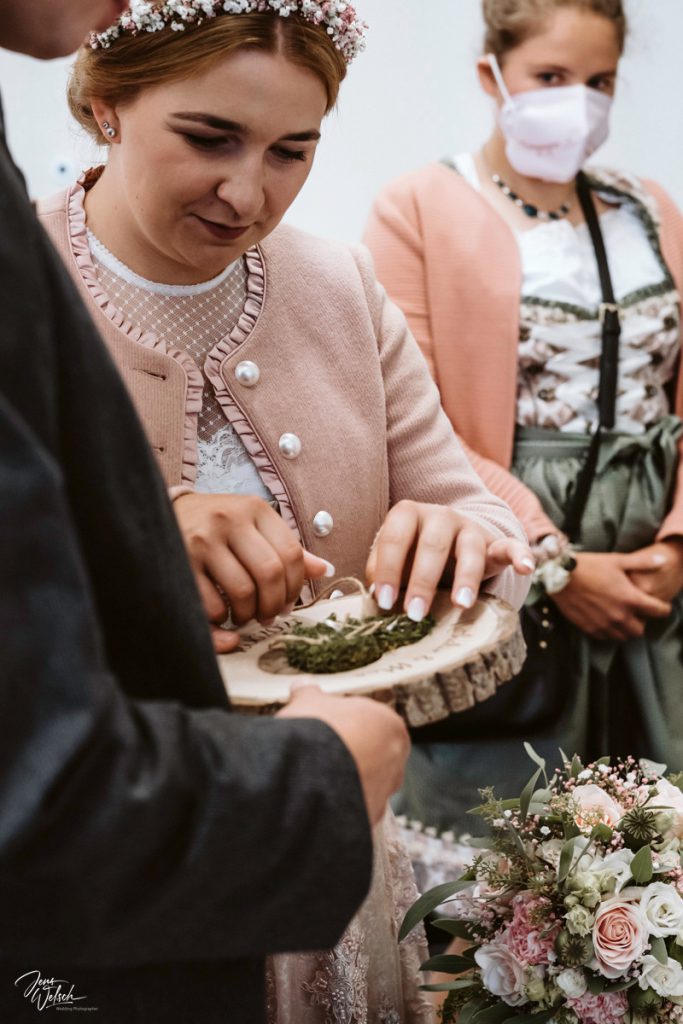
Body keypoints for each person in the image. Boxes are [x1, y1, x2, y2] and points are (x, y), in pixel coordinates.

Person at [36, 2, 532, 1018]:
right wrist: (147, 523)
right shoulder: (24, 291)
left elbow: (476, 513)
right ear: (106, 103)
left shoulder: (339, 283)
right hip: (112, 868)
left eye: (290, 150)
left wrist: (457, 532)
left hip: (332, 830)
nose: (245, 191)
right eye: (209, 137)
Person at [364, 0, 683, 834]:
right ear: (491, 76)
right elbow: (417, 420)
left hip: (657, 582)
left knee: (650, 846)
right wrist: (555, 564)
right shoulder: (418, 206)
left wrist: (675, 546)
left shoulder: (647, 207)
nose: (577, 99)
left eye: (599, 81)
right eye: (550, 77)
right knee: (502, 837)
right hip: (512, 553)